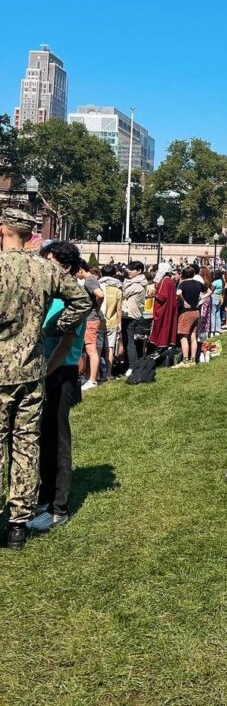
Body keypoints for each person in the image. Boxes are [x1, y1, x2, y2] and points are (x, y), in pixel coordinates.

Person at [0, 209, 91, 550]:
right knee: (27, 444)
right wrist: (55, 326)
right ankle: (18, 525)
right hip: (33, 368)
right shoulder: (46, 269)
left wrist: (55, 327)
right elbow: (82, 299)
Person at [28, 241, 88, 535]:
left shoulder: (75, 296)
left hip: (60, 372)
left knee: (58, 438)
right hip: (43, 370)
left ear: (65, 266)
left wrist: (42, 373)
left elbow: (66, 346)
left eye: (49, 261)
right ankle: (44, 497)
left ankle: (58, 508)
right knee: (42, 436)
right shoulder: (51, 294)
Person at [76, 260, 104, 390]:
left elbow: (100, 294)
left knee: (91, 349)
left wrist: (96, 307)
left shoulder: (89, 281)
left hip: (91, 319)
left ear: (81, 269)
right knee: (90, 349)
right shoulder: (91, 279)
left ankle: (92, 380)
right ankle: (91, 378)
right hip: (92, 318)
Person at [121, 261, 148, 372]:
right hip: (131, 314)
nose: (129, 272)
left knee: (129, 341)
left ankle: (132, 366)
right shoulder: (137, 282)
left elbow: (123, 294)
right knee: (128, 340)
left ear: (139, 271)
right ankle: (130, 364)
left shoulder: (137, 285)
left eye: (131, 270)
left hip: (131, 315)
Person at [98, 264, 123, 377]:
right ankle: (108, 373)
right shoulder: (117, 290)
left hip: (98, 321)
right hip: (112, 322)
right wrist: (119, 323)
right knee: (110, 348)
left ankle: (97, 373)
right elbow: (119, 308)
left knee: (97, 349)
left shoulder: (98, 287)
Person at [149, 262, 179, 352]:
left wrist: (153, 295)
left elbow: (162, 296)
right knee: (167, 325)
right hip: (169, 307)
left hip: (164, 308)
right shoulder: (169, 280)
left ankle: (161, 345)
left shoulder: (165, 281)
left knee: (163, 326)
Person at [176, 266, 202, 364]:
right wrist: (201, 300)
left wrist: (184, 301)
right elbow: (209, 290)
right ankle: (193, 359)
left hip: (186, 312)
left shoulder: (183, 284)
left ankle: (185, 360)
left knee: (183, 337)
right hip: (196, 311)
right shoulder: (198, 283)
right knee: (193, 336)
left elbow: (178, 293)